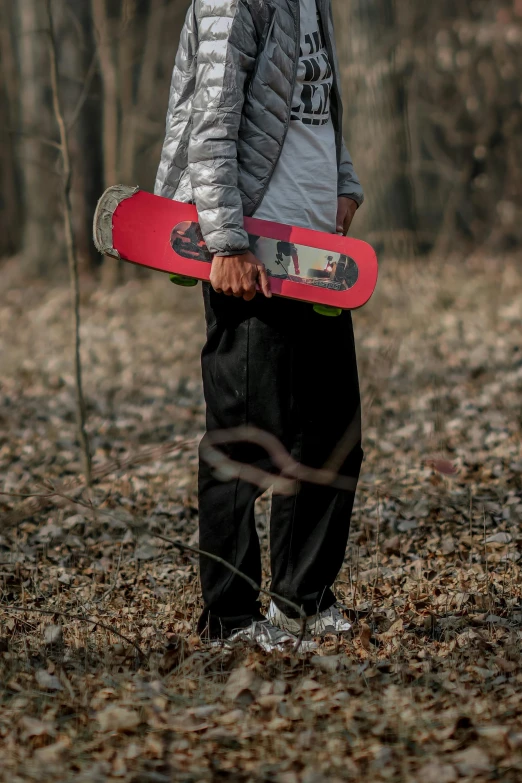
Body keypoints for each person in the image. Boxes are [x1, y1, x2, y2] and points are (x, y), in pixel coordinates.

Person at [155, 0, 364, 652]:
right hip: (249, 256)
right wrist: (225, 242)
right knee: (245, 439)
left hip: (315, 258)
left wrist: (345, 183)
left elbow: (319, 104)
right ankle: (231, 617)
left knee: (330, 434)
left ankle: (302, 601)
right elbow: (210, 122)